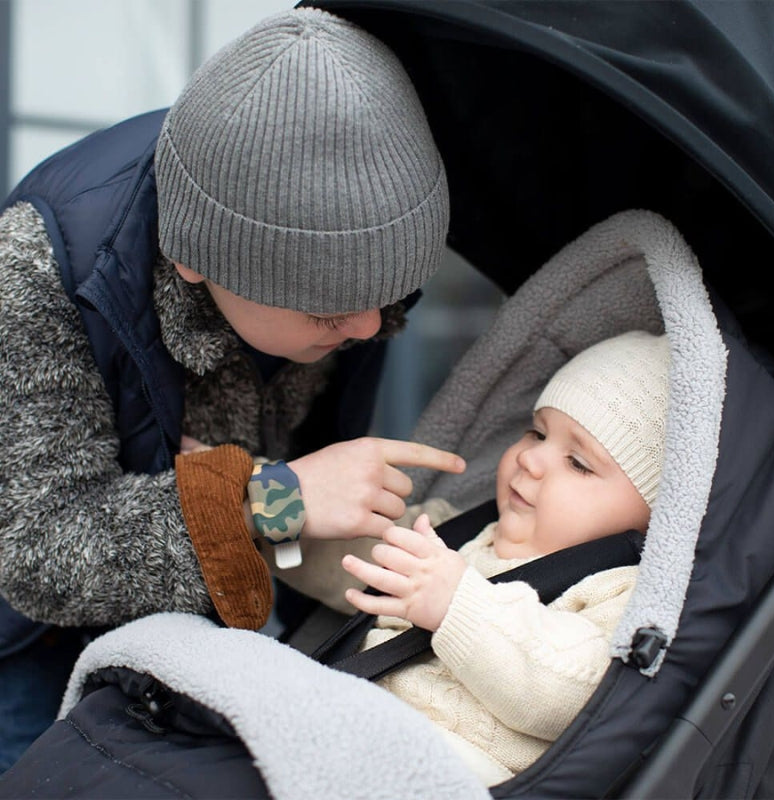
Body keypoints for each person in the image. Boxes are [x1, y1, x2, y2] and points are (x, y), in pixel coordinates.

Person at [0, 8, 460, 771]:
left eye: (389, 293)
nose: (371, 325)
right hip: (33, 653)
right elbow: (39, 551)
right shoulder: (42, 264)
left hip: (217, 640)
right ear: (194, 258)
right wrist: (274, 497)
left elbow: (305, 493)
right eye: (328, 308)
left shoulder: (357, 278)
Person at [262, 330, 670, 786]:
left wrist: (459, 605)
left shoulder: (622, 592)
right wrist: (267, 504)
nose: (532, 459)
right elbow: (340, 552)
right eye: (537, 432)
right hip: (346, 723)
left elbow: (575, 693)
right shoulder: (455, 532)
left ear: (652, 517)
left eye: (578, 463)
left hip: (450, 770)